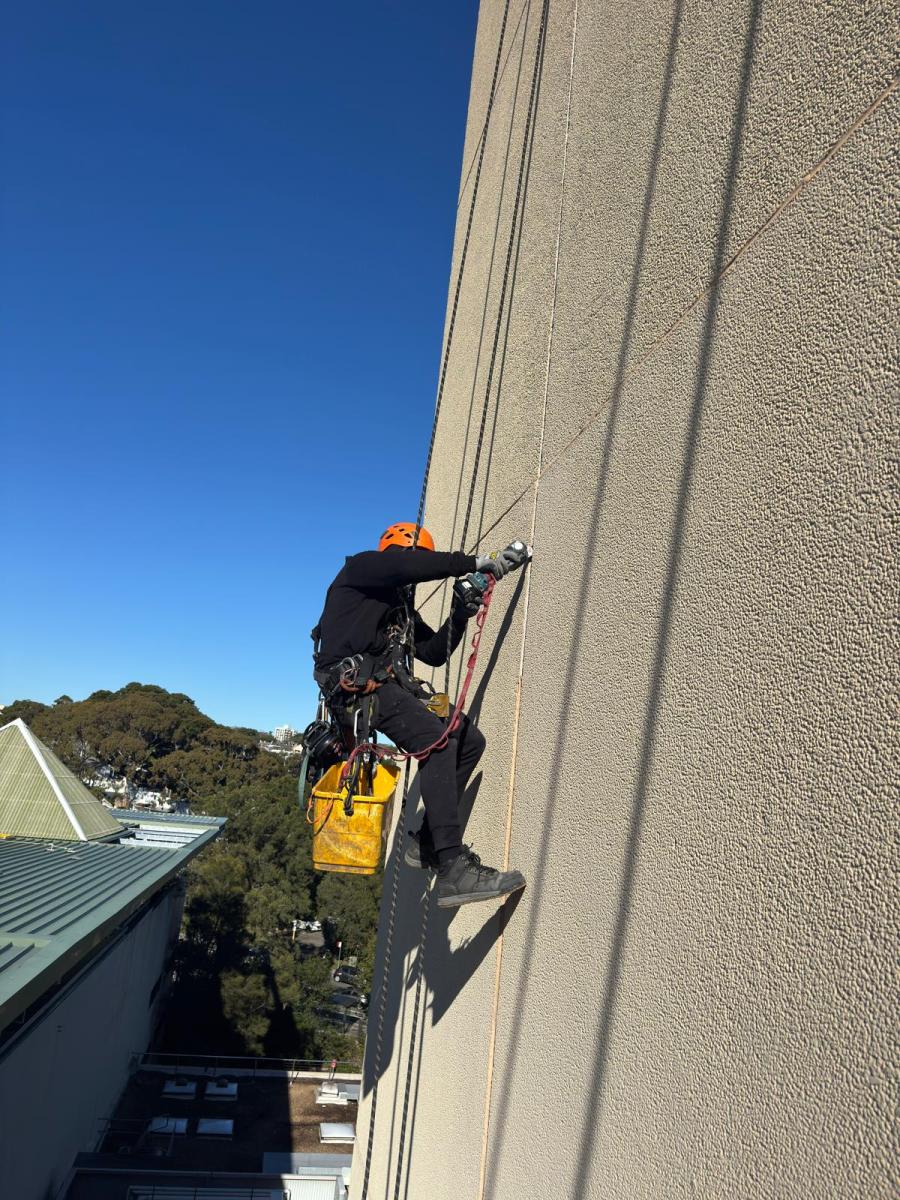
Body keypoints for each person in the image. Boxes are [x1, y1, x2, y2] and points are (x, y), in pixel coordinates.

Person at [312, 521, 530, 907]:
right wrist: (481, 562)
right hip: (358, 692)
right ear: (396, 552)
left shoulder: (397, 610)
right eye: (417, 560)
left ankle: (428, 843)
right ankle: (452, 868)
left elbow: (431, 651)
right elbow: (404, 568)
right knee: (437, 742)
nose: (417, 572)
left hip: (382, 688)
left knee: (467, 741)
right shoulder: (360, 570)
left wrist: (460, 614)